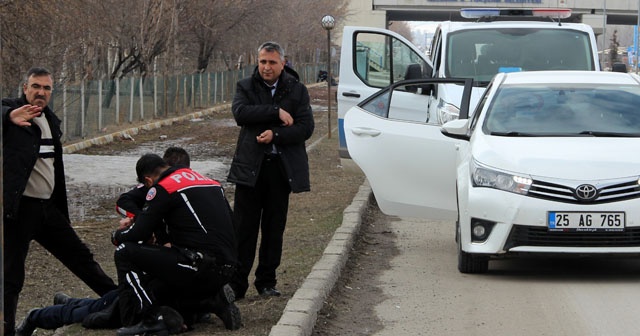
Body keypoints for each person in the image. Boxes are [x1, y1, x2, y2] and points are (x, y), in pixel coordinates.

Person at [2, 67, 117, 336]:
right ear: (25, 88)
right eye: (36, 86)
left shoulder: (51, 120)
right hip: (19, 211)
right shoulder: (12, 112)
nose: (41, 92)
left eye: (46, 88)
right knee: (11, 278)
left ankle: (122, 302)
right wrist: (8, 115)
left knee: (82, 259)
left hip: (47, 209)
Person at [113, 154, 241, 335]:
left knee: (125, 251)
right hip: (228, 266)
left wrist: (117, 235)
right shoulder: (210, 182)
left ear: (148, 180)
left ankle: (149, 318)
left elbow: (139, 233)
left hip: (198, 265)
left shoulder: (162, 187)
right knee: (161, 288)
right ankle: (212, 302)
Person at [227, 41, 314, 299]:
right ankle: (237, 283)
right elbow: (241, 114)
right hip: (250, 169)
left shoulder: (297, 90)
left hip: (280, 169)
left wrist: (275, 135)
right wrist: (276, 111)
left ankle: (266, 281)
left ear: (283, 63)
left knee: (274, 228)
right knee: (244, 228)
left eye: (272, 62)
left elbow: (305, 128)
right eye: (263, 61)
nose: (266, 67)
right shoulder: (245, 86)